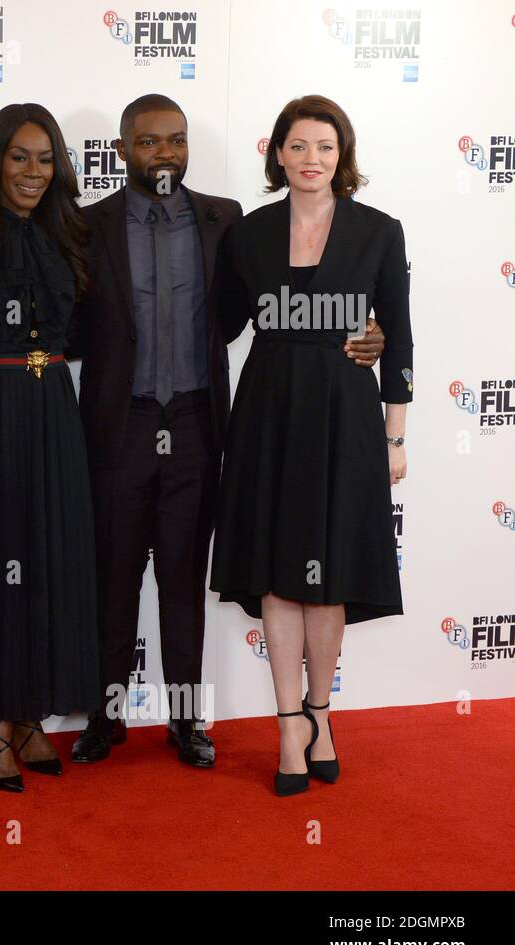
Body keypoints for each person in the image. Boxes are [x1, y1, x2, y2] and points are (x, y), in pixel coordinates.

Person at [66, 94, 385, 770]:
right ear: (123, 150)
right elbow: (67, 325)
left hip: (194, 421)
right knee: (113, 576)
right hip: (118, 426)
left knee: (183, 579)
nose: (165, 154)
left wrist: (360, 328)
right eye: (150, 142)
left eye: (177, 140)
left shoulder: (225, 222)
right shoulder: (86, 225)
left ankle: (186, 723)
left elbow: (258, 312)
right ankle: (106, 715)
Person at [210, 94, 411, 796]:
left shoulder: (379, 231)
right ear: (277, 155)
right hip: (269, 407)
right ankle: (287, 722)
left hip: (344, 411)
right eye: (298, 146)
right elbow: (225, 324)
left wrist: (397, 433)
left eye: (325, 147)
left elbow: (399, 337)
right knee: (275, 572)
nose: (312, 160)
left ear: (342, 156)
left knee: (327, 584)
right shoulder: (249, 232)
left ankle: (320, 714)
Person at [0, 104, 101, 790]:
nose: (33, 172)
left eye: (45, 159)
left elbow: (89, 331)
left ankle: (31, 710)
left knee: (48, 554)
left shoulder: (72, 230)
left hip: (54, 408)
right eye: (19, 157)